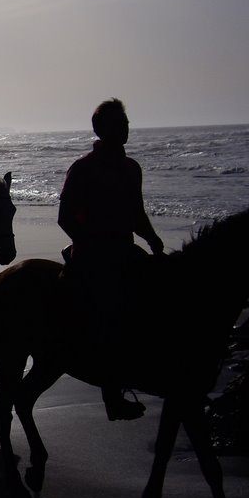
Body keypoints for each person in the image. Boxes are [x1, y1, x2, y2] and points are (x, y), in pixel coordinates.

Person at [58, 98, 164, 421]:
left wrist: (153, 239)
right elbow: (64, 218)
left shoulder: (132, 169)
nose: (127, 128)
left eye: (127, 123)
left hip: (123, 250)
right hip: (92, 255)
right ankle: (112, 396)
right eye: (121, 123)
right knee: (110, 310)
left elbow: (137, 215)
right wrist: (92, 244)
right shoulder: (83, 168)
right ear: (105, 130)